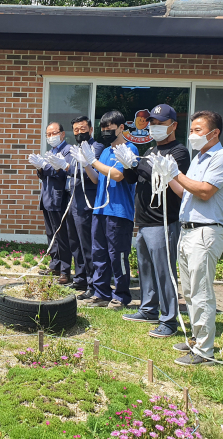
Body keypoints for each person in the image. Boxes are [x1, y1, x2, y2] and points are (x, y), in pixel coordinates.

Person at [167, 110, 223, 366]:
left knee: (201, 291)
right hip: (187, 231)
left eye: (198, 130)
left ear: (214, 132)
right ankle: (196, 338)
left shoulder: (222, 158)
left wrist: (177, 173)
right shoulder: (198, 158)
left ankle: (205, 351)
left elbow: (205, 192)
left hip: (205, 231)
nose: (192, 135)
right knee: (190, 291)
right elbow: (184, 192)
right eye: (192, 130)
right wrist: (169, 176)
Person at [119, 104, 191, 338]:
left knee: (164, 272)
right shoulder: (150, 151)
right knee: (146, 269)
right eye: (152, 123)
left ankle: (169, 319)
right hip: (144, 221)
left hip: (163, 221)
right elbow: (135, 178)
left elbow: (160, 174)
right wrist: (128, 165)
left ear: (173, 125)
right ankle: (148, 308)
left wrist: (138, 163)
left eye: (160, 124)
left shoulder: (178, 152)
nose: (154, 127)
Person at [71, 111, 138, 310]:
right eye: (103, 129)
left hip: (119, 212)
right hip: (100, 210)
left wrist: (92, 161)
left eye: (110, 128)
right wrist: (86, 164)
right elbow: (95, 179)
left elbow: (118, 175)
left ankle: (121, 295)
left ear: (121, 128)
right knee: (98, 253)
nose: (106, 132)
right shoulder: (106, 152)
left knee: (117, 255)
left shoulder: (130, 148)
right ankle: (101, 293)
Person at [28, 122, 72, 284]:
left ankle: (65, 271)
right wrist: (39, 168)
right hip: (47, 197)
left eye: (53, 133)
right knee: (51, 235)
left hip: (59, 198)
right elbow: (46, 174)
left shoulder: (67, 151)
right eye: (48, 134)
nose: (50, 137)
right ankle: (55, 265)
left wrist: (44, 166)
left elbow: (61, 173)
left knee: (62, 236)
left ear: (62, 134)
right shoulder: (51, 151)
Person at [66, 116, 104, 298]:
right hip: (74, 202)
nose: (79, 133)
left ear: (90, 130)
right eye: (75, 130)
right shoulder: (77, 149)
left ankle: (92, 283)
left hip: (87, 203)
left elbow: (90, 175)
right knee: (75, 243)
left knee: (88, 245)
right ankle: (80, 278)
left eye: (82, 129)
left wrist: (67, 168)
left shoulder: (96, 148)